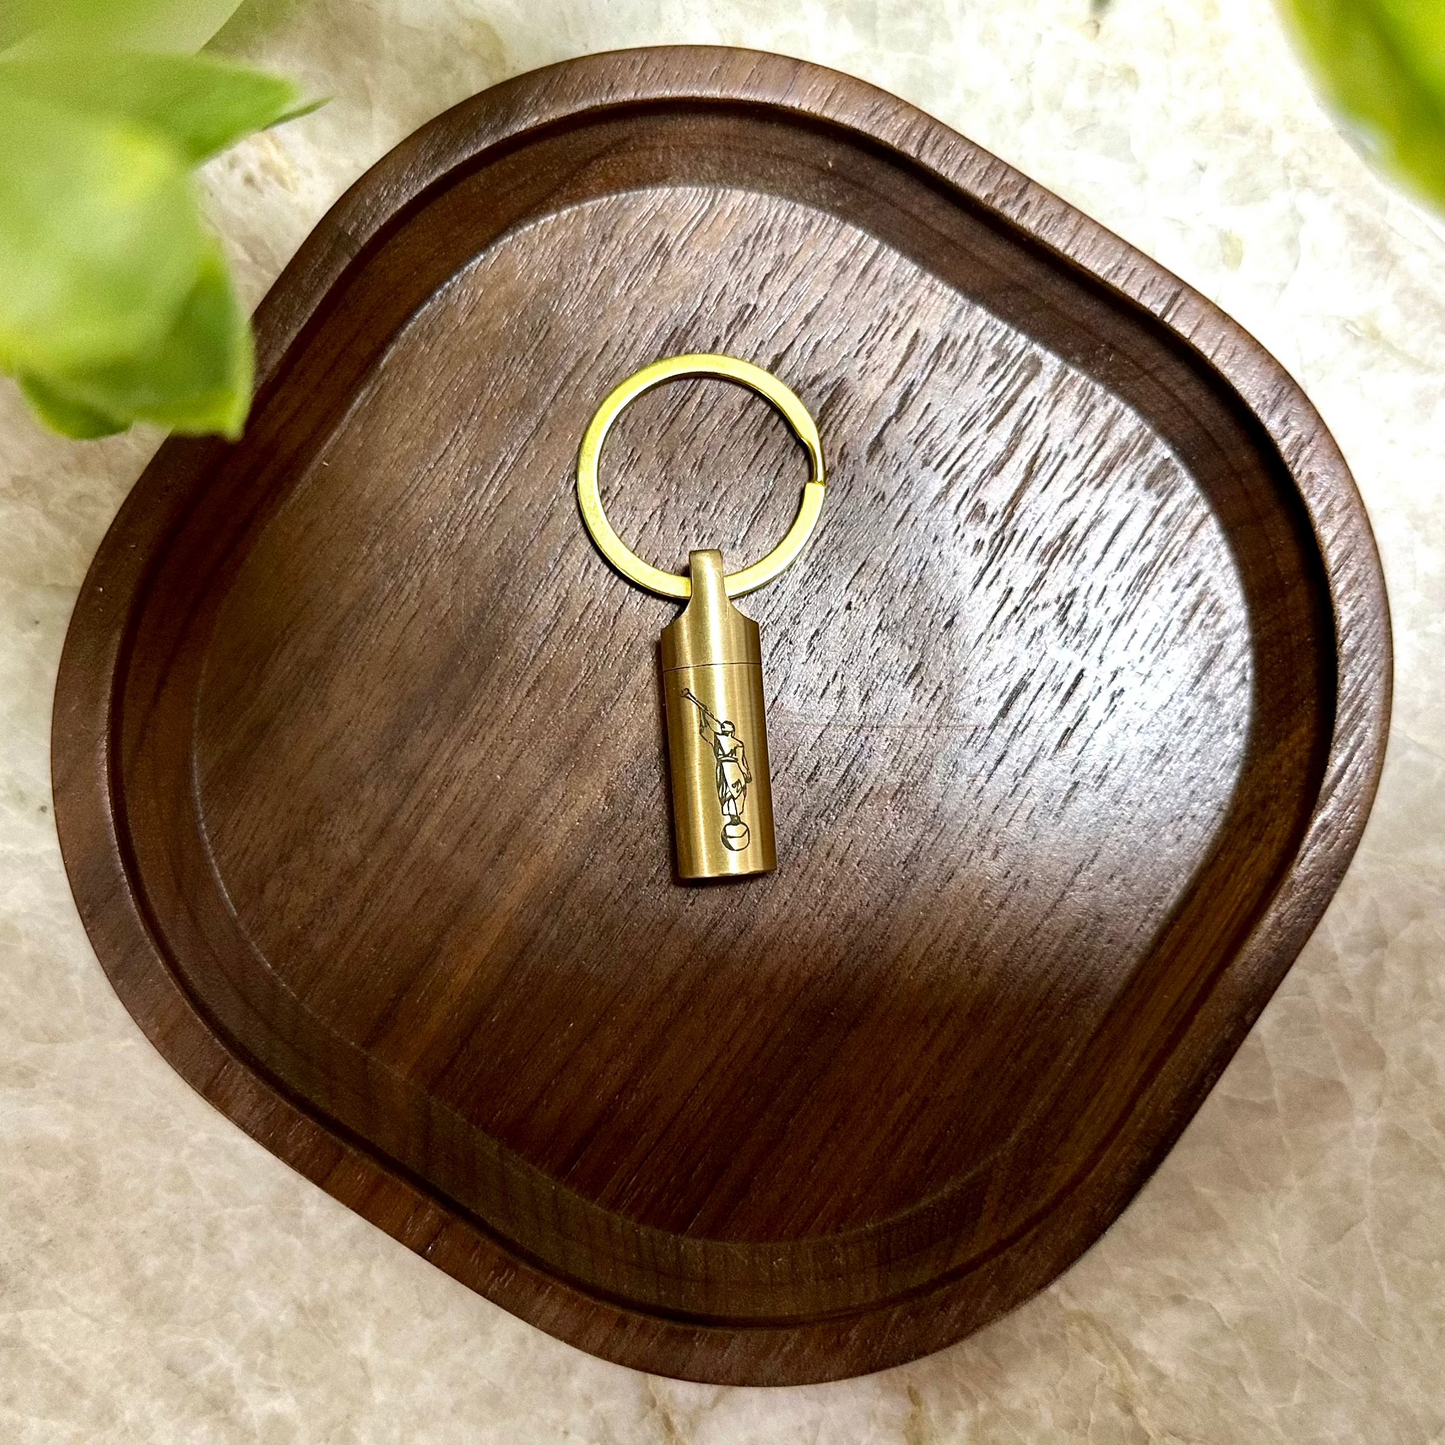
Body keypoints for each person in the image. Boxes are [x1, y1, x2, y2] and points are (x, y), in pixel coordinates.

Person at [682, 689, 752, 850]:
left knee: (727, 794)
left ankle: (734, 819)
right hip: (734, 770)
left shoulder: (718, 739)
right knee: (736, 794)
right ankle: (735, 818)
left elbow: (704, 731)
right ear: (732, 731)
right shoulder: (737, 743)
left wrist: (703, 713)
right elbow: (742, 761)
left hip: (723, 769)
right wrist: (747, 774)